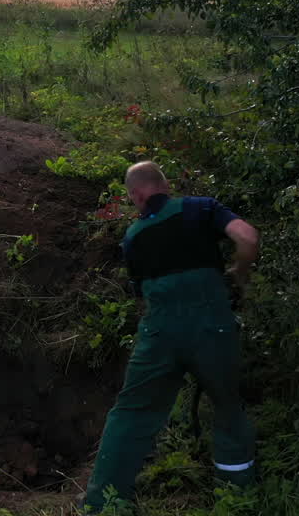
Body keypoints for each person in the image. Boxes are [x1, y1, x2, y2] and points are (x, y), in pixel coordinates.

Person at [83, 161, 260, 512]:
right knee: (226, 407)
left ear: (138, 195)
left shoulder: (132, 237)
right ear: (165, 185)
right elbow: (248, 237)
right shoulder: (201, 208)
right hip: (212, 327)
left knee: (131, 412)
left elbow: (141, 292)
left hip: (159, 333)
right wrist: (240, 272)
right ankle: (237, 496)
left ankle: (104, 503)